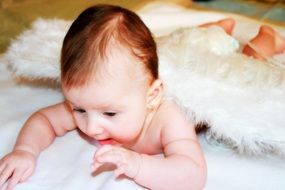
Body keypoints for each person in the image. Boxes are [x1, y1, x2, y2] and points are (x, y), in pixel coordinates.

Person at [0, 4, 285, 190]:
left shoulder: (169, 118)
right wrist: (25, 151)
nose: (90, 127)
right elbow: (43, 121)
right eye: (78, 110)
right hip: (166, 62)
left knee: (241, 71)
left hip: (202, 77)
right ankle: (215, 30)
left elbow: (192, 174)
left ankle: (265, 40)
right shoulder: (96, 102)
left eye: (109, 114)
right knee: (184, 44)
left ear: (153, 96)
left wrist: (138, 165)